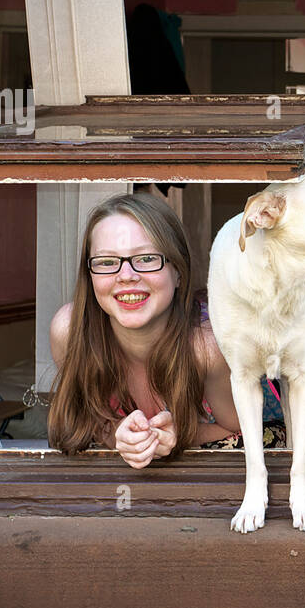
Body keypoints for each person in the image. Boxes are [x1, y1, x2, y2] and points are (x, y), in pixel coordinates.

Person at [48, 192, 240, 467]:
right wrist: (118, 435)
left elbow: (242, 430)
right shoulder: (69, 332)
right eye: (106, 262)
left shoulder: (207, 346)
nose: (126, 276)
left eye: (147, 258)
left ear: (178, 272)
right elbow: (81, 420)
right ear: (89, 276)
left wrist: (182, 435)